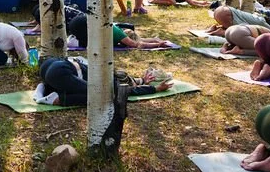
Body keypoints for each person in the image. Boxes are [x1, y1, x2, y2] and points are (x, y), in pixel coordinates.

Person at [37, 56, 173, 106]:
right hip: (60, 72)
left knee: (78, 87)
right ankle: (59, 99)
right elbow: (127, 91)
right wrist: (155, 89)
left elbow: (130, 83)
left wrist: (142, 80)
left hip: (50, 65)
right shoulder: (108, 80)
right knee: (101, 95)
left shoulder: (101, 69)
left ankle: (50, 91)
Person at [66, 12, 171, 49]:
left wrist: (154, 39)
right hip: (79, 26)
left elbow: (140, 40)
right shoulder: (119, 35)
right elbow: (138, 44)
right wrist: (158, 45)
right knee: (90, 44)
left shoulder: (117, 29)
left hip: (76, 23)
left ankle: (74, 38)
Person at [205, 5, 270, 37]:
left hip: (221, 11)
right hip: (226, 14)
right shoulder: (261, 22)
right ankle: (221, 31)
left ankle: (217, 28)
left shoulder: (256, 17)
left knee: (233, 26)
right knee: (237, 29)